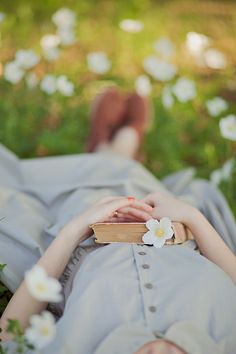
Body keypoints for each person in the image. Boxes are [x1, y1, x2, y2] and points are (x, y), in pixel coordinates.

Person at [0, 88, 236, 354]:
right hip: (175, 227)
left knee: (93, 191)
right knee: (135, 185)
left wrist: (74, 230)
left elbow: (8, 337)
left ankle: (111, 147)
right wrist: (193, 217)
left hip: (91, 233)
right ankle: (122, 146)